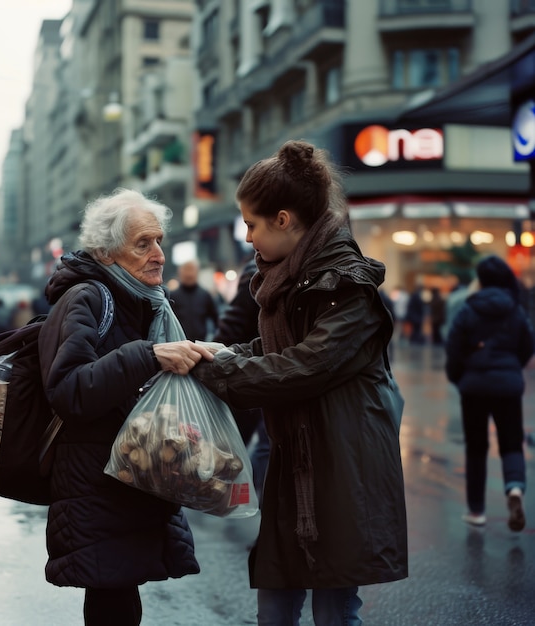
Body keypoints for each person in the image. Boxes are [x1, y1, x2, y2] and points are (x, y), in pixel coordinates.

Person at [192, 140, 408, 625]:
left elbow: (305, 365)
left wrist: (214, 370)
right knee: (274, 604)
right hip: (294, 464)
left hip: (342, 468)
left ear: (284, 220)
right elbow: (272, 353)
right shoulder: (284, 280)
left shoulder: (347, 287)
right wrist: (213, 353)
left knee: (333, 610)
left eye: (252, 224)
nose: (247, 237)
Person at [37, 188, 214, 626]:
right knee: (113, 601)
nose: (158, 254)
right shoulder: (88, 299)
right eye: (142, 244)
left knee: (120, 596)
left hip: (130, 478)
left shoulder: (148, 302)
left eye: (158, 241)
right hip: (98, 484)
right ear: (106, 252)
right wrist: (149, 355)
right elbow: (70, 390)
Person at [445, 255, 534, 532]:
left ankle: (476, 511)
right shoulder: (514, 309)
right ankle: (515, 489)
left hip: (474, 387)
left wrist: (460, 377)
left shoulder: (469, 308)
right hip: (508, 385)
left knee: (476, 447)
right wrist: (511, 368)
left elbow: (454, 348)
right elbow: (528, 343)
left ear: (481, 280)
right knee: (511, 441)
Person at [213, 255, 268, 502]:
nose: (249, 236)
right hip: (253, 375)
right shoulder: (256, 272)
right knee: (266, 448)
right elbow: (231, 325)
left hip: (268, 374)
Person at [170, 259, 219, 341]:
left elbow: (216, 320)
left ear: (197, 272)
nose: (189, 274)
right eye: (186, 270)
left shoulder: (205, 295)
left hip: (201, 344)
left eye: (191, 270)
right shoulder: (173, 296)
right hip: (178, 344)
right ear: (180, 273)